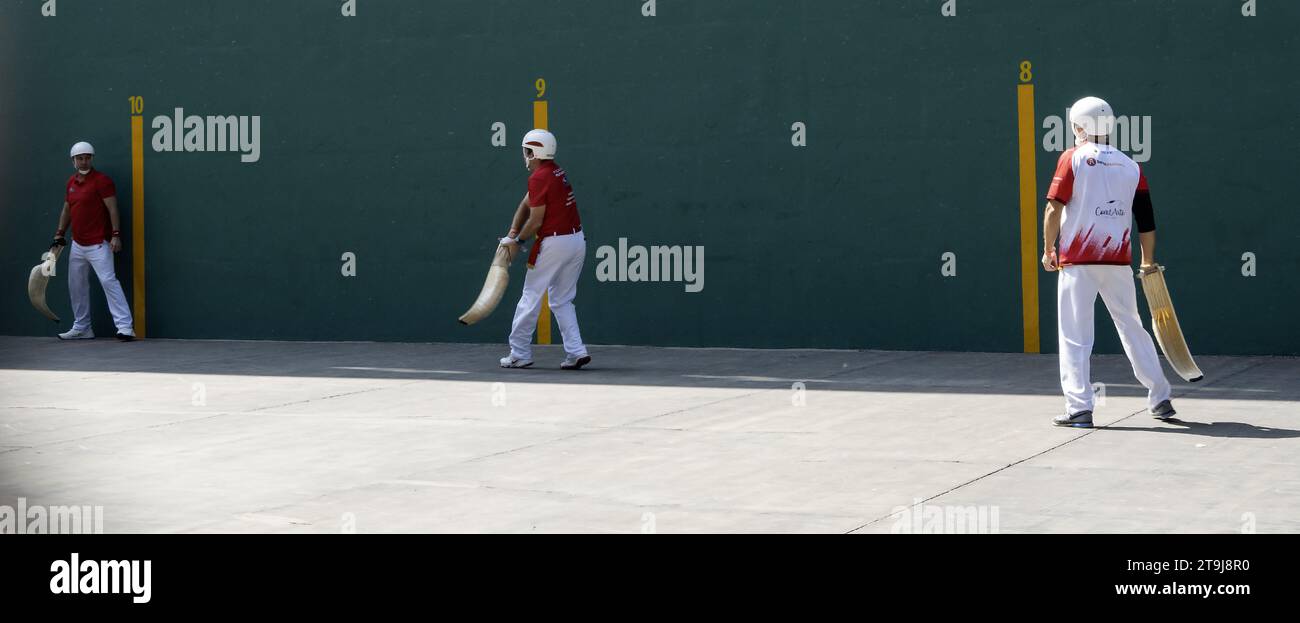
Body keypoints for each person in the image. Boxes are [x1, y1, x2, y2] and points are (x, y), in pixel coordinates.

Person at [1042, 97, 1173, 427]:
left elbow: (1053, 208)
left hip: (1078, 263)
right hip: (1117, 264)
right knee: (1133, 328)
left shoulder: (1072, 158)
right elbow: (1146, 220)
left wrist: (1048, 249)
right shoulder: (1132, 166)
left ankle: (1080, 408)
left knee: (1075, 335)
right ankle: (1161, 397)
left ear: (1080, 127)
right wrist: (1148, 261)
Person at [498, 129, 590, 370]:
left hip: (554, 244)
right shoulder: (555, 172)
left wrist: (518, 243)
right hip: (576, 241)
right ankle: (576, 351)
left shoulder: (539, 177)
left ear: (534, 152)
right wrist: (511, 233)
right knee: (562, 300)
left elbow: (536, 219)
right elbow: (526, 203)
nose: (524, 156)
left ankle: (519, 353)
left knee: (531, 296)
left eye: (526, 152)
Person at [53, 141, 135, 342]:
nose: (84, 161)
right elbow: (67, 209)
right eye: (80, 158)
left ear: (92, 158)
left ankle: (125, 327)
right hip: (78, 244)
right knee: (76, 285)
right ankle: (82, 327)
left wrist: (116, 235)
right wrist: (59, 233)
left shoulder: (102, 181)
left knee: (108, 281)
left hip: (99, 243)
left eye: (87, 157)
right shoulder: (71, 184)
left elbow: (113, 209)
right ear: (73, 160)